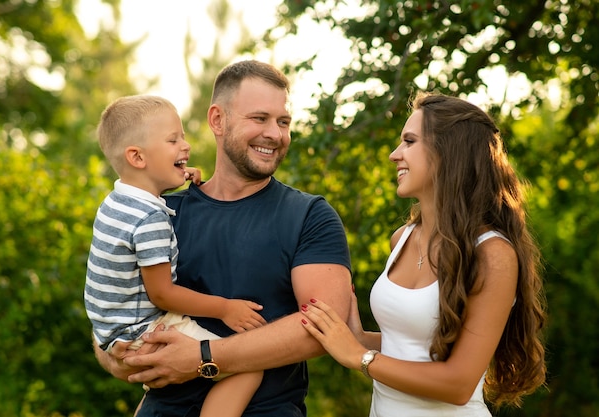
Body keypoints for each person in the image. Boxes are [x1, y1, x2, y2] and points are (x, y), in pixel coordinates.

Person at [93, 61, 353, 416]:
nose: (275, 134)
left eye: (283, 122)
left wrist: (203, 359)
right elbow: (114, 299)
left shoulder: (309, 216)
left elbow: (324, 326)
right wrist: (115, 359)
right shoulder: (161, 212)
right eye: (260, 119)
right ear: (217, 120)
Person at [300, 92, 547, 416]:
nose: (394, 154)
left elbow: (458, 384)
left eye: (409, 141)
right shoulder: (401, 239)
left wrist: (359, 358)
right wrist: (357, 338)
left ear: (448, 152)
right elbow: (409, 347)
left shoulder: (492, 254)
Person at [85, 94, 269, 417]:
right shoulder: (150, 220)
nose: (185, 146)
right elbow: (162, 293)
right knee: (246, 364)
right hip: (144, 332)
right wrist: (225, 308)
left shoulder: (117, 203)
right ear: (138, 157)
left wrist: (177, 176)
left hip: (111, 329)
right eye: (173, 140)